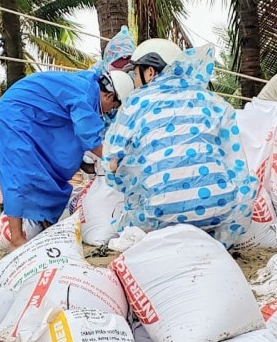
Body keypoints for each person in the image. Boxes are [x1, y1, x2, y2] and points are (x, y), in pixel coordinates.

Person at [102, 46, 257, 244]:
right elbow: (235, 162)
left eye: (135, 73)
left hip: (157, 213)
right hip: (219, 210)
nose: (135, 81)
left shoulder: (136, 102)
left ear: (150, 71)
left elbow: (113, 164)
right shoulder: (215, 102)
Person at [0, 65, 134, 248]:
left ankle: (46, 228)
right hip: (13, 117)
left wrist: (85, 164)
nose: (109, 112)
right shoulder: (83, 96)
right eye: (113, 106)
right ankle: (16, 238)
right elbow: (90, 138)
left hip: (36, 121)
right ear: (108, 95)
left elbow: (74, 137)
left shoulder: (87, 89)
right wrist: (118, 162)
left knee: (51, 174)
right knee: (21, 175)